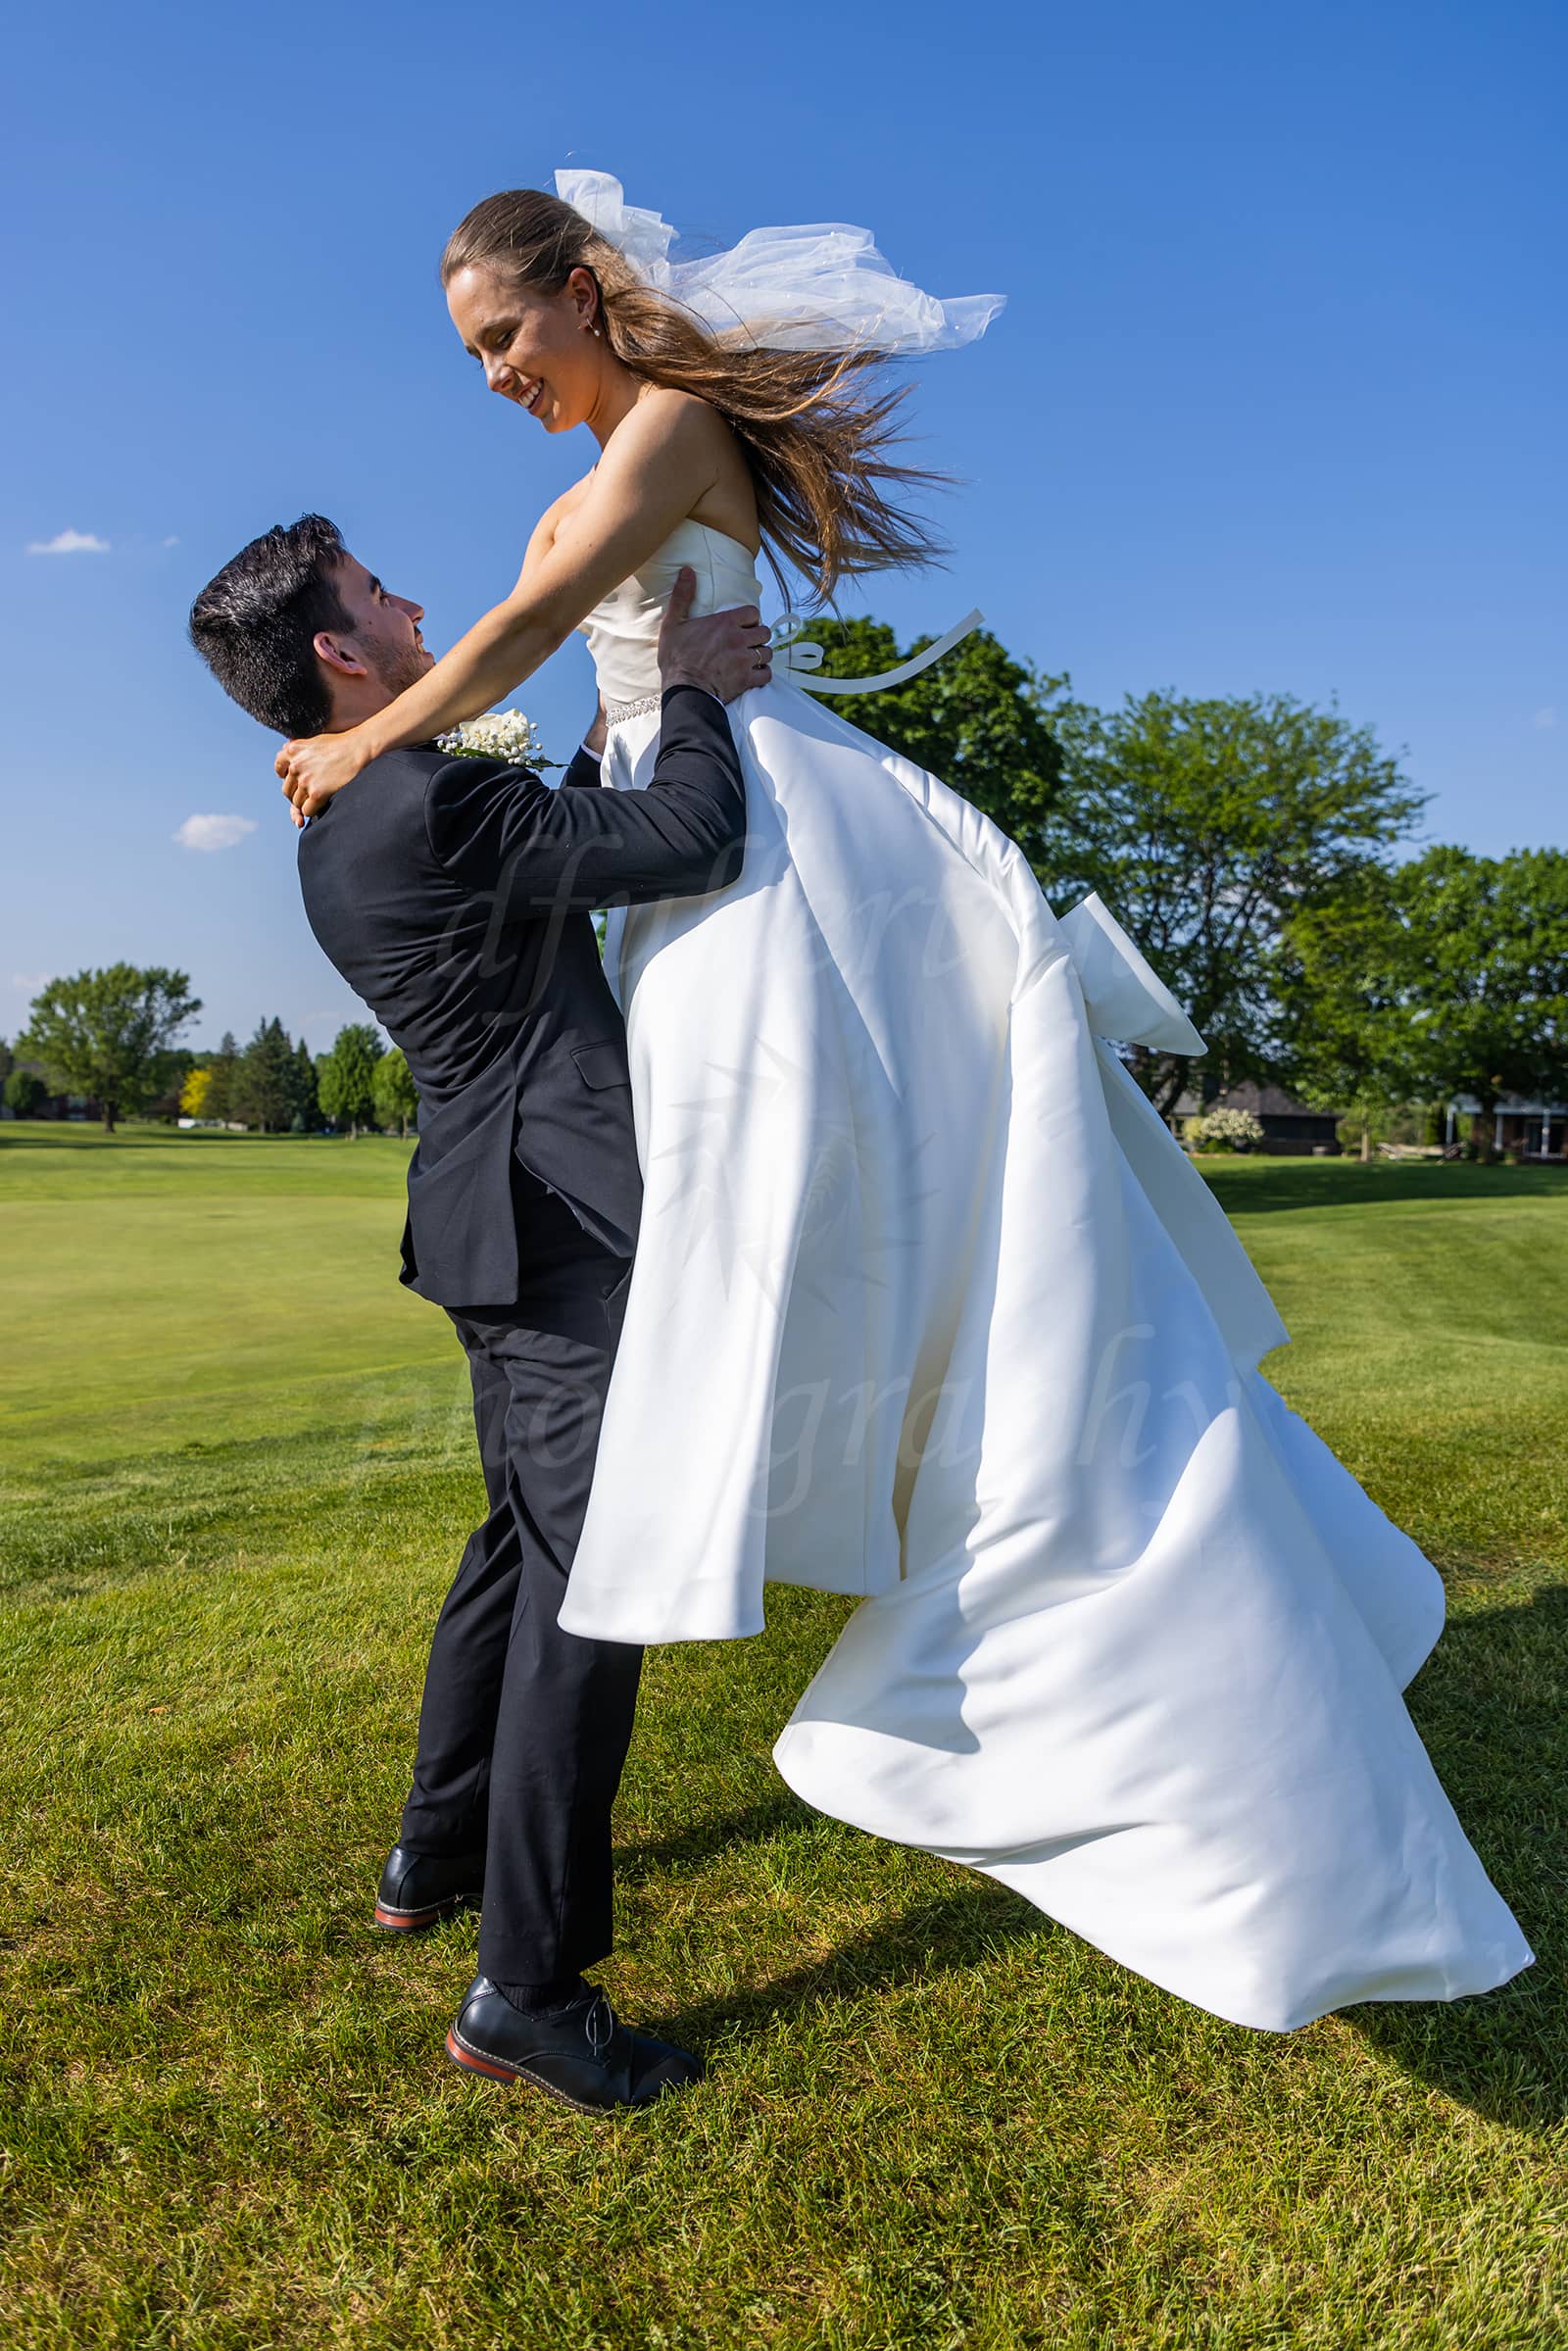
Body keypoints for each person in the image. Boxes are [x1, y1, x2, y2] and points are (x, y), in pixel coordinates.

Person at [270, 171, 1530, 2035]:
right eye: (471, 357)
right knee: (796, 1261)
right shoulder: (618, 441)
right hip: (686, 871)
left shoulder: (676, 426)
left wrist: (376, 729)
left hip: (769, 851)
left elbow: (539, 619)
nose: (490, 379)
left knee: (942, 1243)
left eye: (501, 340)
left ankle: (1068, 1596)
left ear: (586, 292)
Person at [190, 514, 772, 2111]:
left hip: (479, 1223)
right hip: (565, 1228)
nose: (418, 603)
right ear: (338, 652)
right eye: (381, 594)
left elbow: (545, 854)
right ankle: (527, 1988)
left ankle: (431, 1852)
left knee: (520, 1542)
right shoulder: (433, 792)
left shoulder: (348, 812)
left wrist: (604, 721)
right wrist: (700, 694)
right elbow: (692, 837)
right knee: (593, 1590)